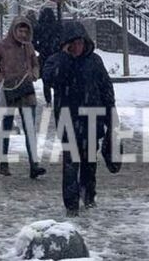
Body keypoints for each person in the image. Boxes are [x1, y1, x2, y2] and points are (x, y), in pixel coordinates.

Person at [43, 21, 116, 215]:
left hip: (92, 119)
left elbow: (106, 88)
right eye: (72, 43)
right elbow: (49, 78)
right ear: (66, 44)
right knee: (71, 163)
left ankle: (89, 195)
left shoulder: (94, 61)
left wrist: (110, 114)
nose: (77, 47)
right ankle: (72, 203)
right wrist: (65, 58)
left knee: (90, 161)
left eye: (80, 43)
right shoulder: (56, 60)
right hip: (68, 120)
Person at [0, 13, 49, 179]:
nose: (22, 34)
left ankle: (34, 165)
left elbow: (35, 63)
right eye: (20, 30)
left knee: (30, 129)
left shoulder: (28, 46)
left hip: (27, 91)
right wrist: (1, 80)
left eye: (25, 31)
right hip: (9, 92)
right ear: (14, 29)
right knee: (6, 128)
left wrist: (34, 73)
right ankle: (4, 163)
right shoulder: (2, 45)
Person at [33, 7, 64, 108]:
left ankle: (48, 100)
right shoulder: (58, 26)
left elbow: (33, 41)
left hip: (44, 56)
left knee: (45, 80)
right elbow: (62, 40)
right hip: (55, 56)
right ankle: (56, 98)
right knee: (57, 77)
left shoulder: (38, 26)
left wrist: (40, 48)